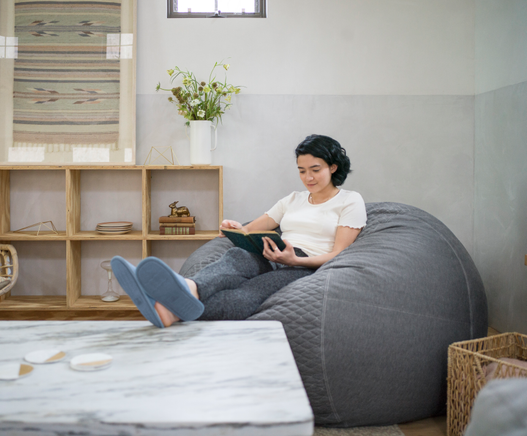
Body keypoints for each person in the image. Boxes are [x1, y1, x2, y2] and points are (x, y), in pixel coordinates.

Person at [111, 134, 367, 328]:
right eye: (302, 171)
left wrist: (295, 260)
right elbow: (254, 228)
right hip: (272, 251)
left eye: (315, 170)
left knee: (246, 295)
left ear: (333, 167)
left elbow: (339, 253)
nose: (308, 178)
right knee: (237, 257)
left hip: (302, 264)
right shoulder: (293, 199)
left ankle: (169, 309)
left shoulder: (350, 200)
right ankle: (187, 288)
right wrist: (236, 229)